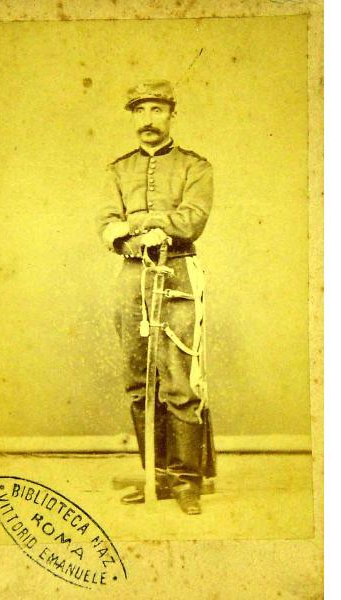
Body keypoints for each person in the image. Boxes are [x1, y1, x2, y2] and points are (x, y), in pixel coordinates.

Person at [96, 80, 216, 515]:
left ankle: (187, 481)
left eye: (157, 110)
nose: (148, 119)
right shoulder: (117, 169)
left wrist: (141, 221)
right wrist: (129, 237)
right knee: (138, 378)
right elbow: (107, 223)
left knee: (179, 379)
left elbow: (191, 220)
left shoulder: (195, 167)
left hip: (178, 271)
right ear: (133, 116)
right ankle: (158, 475)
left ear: (171, 115)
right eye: (140, 111)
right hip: (132, 276)